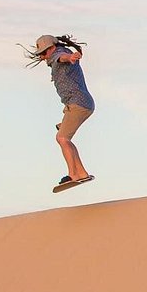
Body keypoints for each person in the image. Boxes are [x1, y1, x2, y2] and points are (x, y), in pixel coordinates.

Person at [23, 33, 95, 192]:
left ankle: (73, 174)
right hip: (79, 104)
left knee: (62, 138)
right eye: (39, 54)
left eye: (43, 53)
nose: (42, 57)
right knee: (65, 138)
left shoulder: (59, 54)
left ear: (52, 48)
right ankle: (81, 173)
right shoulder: (56, 56)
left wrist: (70, 58)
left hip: (78, 104)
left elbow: (62, 57)